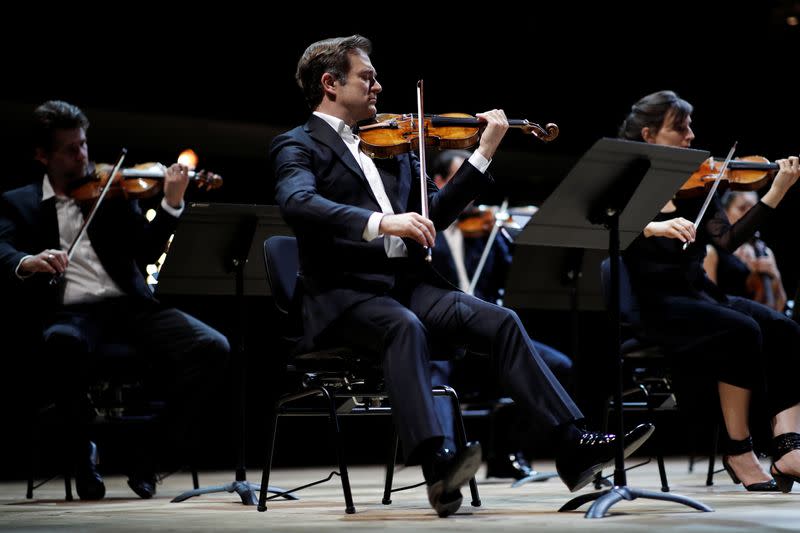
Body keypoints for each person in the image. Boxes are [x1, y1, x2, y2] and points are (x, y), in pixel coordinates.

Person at [272, 34, 653, 517]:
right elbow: (297, 203)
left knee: (499, 321)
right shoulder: (297, 145)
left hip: (407, 287)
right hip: (345, 297)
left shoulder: (393, 145)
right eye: (366, 77)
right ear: (330, 84)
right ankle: (437, 465)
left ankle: (573, 445)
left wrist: (483, 154)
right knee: (402, 327)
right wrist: (381, 222)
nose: (378, 86)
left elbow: (437, 212)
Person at [0, 101, 231, 500]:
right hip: (72, 313)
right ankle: (81, 454)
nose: (83, 156)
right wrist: (27, 261)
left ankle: (150, 452)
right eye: (70, 149)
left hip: (130, 307)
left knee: (212, 346)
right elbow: (0, 246)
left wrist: (171, 204)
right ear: (42, 155)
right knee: (61, 343)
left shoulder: (112, 190)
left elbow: (143, 250)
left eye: (84, 144)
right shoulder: (17, 202)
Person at [618, 90, 800, 492]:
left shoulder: (698, 185)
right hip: (658, 305)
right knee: (741, 330)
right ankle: (739, 449)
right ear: (649, 135)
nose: (690, 135)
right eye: (679, 127)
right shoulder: (625, 183)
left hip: (699, 294)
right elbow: (605, 228)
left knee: (783, 328)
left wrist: (775, 192)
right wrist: (653, 226)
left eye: (689, 126)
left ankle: (788, 447)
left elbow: (729, 239)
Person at [427, 149, 573, 480]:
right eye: (460, 178)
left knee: (557, 365)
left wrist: (505, 233)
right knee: (435, 368)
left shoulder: (486, 234)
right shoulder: (425, 231)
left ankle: (506, 452)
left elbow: (511, 278)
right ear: (439, 183)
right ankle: (446, 459)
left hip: (483, 338)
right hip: (441, 336)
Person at [703, 190, 787, 312]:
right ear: (724, 212)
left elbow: (780, 306)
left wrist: (775, 275)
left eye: (753, 211)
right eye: (742, 208)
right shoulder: (711, 252)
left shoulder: (765, 253)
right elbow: (710, 304)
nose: (749, 216)